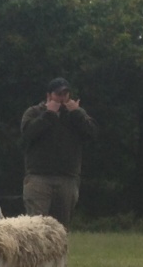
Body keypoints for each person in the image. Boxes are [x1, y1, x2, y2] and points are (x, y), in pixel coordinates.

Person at [19, 77, 96, 225]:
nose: (62, 98)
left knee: (61, 229)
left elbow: (92, 133)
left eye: (65, 94)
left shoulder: (76, 115)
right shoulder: (34, 112)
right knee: (36, 227)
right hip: (38, 178)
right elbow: (27, 136)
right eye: (58, 94)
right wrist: (49, 115)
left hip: (67, 179)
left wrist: (77, 114)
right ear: (49, 95)